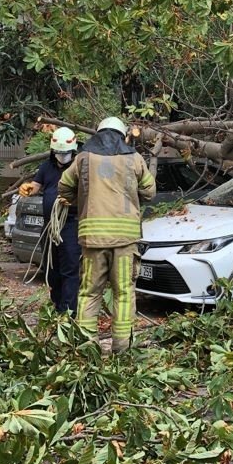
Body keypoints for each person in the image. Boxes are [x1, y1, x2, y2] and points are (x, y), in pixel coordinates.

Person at [58, 117, 155, 353]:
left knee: (89, 293)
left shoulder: (83, 157)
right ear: (123, 136)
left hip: (92, 240)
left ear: (97, 134)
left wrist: (76, 197)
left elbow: (64, 185)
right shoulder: (135, 158)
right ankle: (121, 350)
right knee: (123, 294)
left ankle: (87, 348)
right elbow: (150, 192)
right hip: (125, 241)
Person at [19, 127, 80, 313]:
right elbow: (37, 185)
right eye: (60, 153)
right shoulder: (47, 167)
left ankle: (68, 311)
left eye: (66, 153)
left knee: (69, 269)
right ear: (54, 151)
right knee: (51, 268)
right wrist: (29, 188)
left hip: (70, 224)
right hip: (49, 227)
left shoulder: (79, 166)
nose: (63, 157)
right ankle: (57, 303)